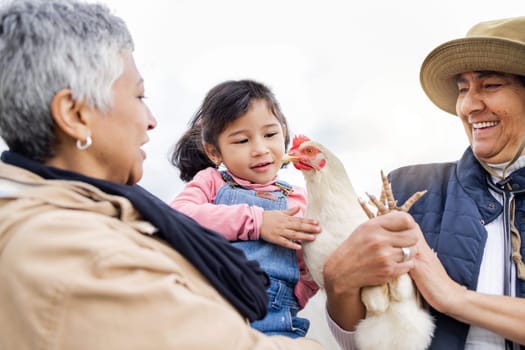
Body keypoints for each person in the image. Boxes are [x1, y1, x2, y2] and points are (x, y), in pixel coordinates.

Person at [0, 1, 328, 348]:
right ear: (75, 114)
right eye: (139, 95)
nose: (152, 119)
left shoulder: (85, 220)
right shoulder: (82, 255)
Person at [323, 16, 525, 350]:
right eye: (463, 88)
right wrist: (339, 284)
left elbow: (446, 296)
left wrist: (453, 297)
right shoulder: (406, 189)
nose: (469, 105)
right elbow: (360, 338)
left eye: (490, 86)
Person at [170, 79, 321, 338]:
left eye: (270, 135)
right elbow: (179, 216)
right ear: (214, 152)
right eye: (242, 140)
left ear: (283, 133)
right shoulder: (212, 182)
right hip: (211, 309)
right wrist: (257, 222)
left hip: (276, 317)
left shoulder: (299, 198)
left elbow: (311, 263)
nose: (260, 149)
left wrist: (299, 294)